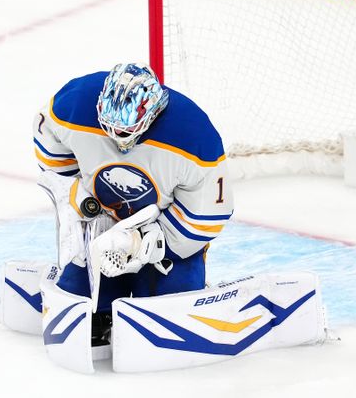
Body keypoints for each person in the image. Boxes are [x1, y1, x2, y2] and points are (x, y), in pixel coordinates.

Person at [32, 63, 233, 342]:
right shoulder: (74, 104)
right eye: (108, 127)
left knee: (169, 316)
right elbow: (51, 151)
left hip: (162, 234)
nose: (116, 138)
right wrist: (74, 196)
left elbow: (206, 214)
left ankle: (163, 284)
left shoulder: (195, 136)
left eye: (126, 132)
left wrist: (146, 244)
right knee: (82, 308)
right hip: (100, 222)